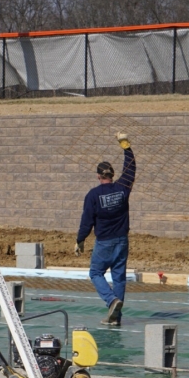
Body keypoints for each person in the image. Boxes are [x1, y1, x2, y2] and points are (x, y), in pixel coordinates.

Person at [75, 132, 136, 326]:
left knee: (95, 273)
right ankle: (115, 318)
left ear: (98, 176)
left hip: (104, 242)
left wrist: (80, 239)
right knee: (119, 278)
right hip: (122, 240)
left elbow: (87, 220)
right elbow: (131, 169)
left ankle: (112, 301)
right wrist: (126, 147)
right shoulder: (123, 188)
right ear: (112, 175)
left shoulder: (93, 195)